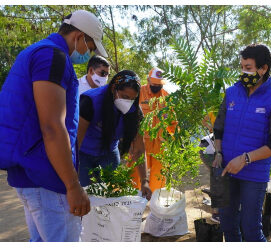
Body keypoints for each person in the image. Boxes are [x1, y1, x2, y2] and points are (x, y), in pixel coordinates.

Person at [0, 10, 107, 241]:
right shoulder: (52, 56)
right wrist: (73, 185)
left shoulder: (35, 52)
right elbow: (52, 126)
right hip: (46, 176)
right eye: (90, 46)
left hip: (29, 172)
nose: (89, 53)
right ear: (79, 36)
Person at [212, 44, 271, 242]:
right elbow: (218, 127)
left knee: (251, 229)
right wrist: (218, 153)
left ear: (263, 69)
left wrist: (245, 159)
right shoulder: (231, 93)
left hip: (254, 175)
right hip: (226, 169)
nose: (243, 72)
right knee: (227, 225)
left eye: (248, 67)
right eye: (242, 67)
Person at [77, 70, 152, 200]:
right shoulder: (91, 101)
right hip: (83, 154)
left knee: (110, 196)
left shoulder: (135, 113)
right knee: (86, 195)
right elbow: (75, 141)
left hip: (109, 153)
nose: (128, 102)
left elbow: (139, 150)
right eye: (124, 96)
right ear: (113, 89)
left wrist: (144, 181)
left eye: (133, 99)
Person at [131, 67, 176, 192]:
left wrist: (173, 139)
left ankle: (156, 203)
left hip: (159, 144)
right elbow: (129, 117)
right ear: (148, 80)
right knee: (135, 175)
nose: (157, 87)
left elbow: (172, 122)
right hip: (140, 143)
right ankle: (133, 202)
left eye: (159, 85)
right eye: (154, 84)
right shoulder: (138, 93)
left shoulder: (167, 97)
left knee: (159, 176)